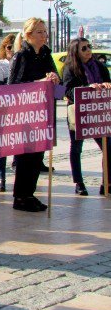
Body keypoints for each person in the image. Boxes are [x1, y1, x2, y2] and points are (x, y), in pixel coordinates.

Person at [9, 17, 60, 212]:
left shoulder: (46, 53)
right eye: (39, 32)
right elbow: (14, 85)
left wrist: (54, 78)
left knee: (37, 156)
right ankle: (20, 196)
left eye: (45, 32)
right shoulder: (21, 55)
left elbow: (55, 77)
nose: (44, 35)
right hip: (25, 115)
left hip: (42, 112)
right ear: (29, 35)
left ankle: (30, 194)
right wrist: (39, 81)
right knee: (25, 156)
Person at [63, 38, 111, 196]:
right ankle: (79, 182)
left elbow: (107, 81)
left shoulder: (99, 66)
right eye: (84, 48)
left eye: (89, 47)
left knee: (107, 146)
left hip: (98, 113)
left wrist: (106, 85)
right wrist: (86, 89)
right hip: (79, 112)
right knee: (76, 148)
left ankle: (107, 182)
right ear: (76, 51)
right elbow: (67, 91)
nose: (88, 50)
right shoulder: (70, 68)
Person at [0, 34, 16, 192]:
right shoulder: (1, 65)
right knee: (2, 145)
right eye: (9, 47)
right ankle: (1, 176)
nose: (12, 50)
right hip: (4, 109)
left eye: (15, 47)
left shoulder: (22, 63)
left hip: (20, 111)